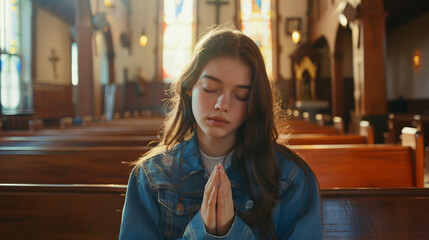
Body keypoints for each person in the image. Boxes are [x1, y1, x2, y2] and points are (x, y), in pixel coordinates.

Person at [119, 26, 322, 240]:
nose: (222, 104)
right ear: (190, 87)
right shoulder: (152, 177)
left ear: (253, 102)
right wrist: (201, 231)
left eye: (240, 95)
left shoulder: (290, 178)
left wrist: (231, 232)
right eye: (210, 88)